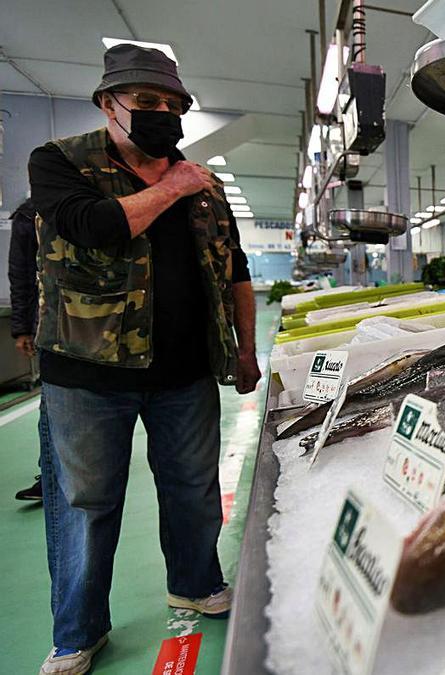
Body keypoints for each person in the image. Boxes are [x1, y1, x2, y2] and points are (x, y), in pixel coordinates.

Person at [28, 44, 260, 675]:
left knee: (192, 489)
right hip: (86, 374)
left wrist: (245, 350)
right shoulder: (59, 163)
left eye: (174, 105)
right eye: (148, 103)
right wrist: (175, 186)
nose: (165, 114)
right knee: (84, 503)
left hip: (184, 372)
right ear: (109, 104)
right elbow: (93, 226)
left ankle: (194, 581)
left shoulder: (206, 188)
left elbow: (236, 270)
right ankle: (78, 630)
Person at [8, 198, 44, 502]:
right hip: (49, 325)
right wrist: (22, 327)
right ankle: (50, 473)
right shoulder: (28, 215)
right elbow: (21, 275)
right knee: (55, 405)